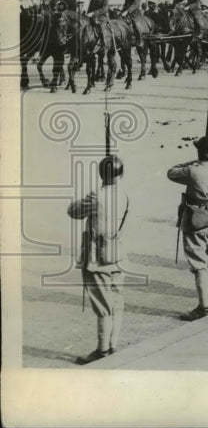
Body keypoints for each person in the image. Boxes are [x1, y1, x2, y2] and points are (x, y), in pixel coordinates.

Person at [68, 154, 129, 364]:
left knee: (103, 307)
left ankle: (102, 350)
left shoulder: (97, 196)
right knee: (117, 302)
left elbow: (73, 211)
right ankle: (113, 345)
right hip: (118, 256)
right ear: (121, 173)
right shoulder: (124, 195)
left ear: (102, 174)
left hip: (98, 260)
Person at [168, 135, 208, 321]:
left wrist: (195, 161)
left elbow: (172, 172)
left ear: (200, 152)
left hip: (195, 221)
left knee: (199, 265)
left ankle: (203, 307)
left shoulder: (193, 170)